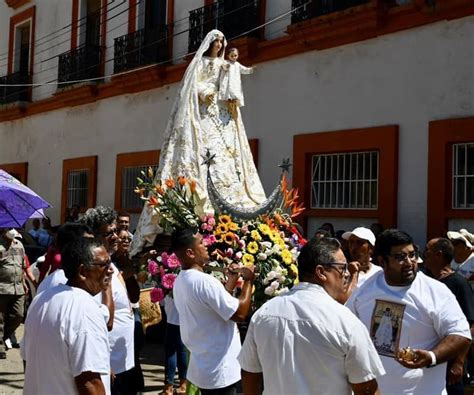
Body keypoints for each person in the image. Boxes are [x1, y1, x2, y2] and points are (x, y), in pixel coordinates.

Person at [131, 29, 266, 257]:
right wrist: (204, 92)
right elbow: (192, 87)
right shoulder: (200, 63)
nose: (221, 45)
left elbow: (232, 76)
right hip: (203, 113)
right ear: (211, 43)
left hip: (222, 113)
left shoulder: (224, 65)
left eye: (223, 41)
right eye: (218, 42)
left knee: (227, 155)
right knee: (203, 153)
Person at [238, 237, 385, 395]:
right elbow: (366, 390)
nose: (347, 275)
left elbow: (250, 375)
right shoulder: (346, 322)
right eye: (342, 268)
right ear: (321, 272)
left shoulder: (264, 314)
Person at [347, 229, 472, 394]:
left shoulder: (435, 291)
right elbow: (347, 329)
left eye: (413, 255)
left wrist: (431, 357)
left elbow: (461, 334)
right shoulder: (364, 290)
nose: (409, 262)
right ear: (382, 261)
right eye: (400, 257)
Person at [22, 238, 113, 394]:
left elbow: (27, 359)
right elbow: (89, 382)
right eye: (104, 264)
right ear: (83, 272)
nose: (110, 270)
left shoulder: (42, 299)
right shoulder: (84, 309)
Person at [172, 228, 255, 394]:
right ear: (190, 252)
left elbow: (214, 309)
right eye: (201, 243)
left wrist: (230, 285)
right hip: (220, 368)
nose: (206, 246)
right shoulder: (205, 282)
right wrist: (249, 280)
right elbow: (239, 314)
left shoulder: (180, 280)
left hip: (205, 366)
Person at [82, 206, 138, 395]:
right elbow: (95, 322)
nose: (116, 236)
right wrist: (104, 364)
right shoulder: (92, 270)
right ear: (92, 236)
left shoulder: (110, 263)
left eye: (115, 231)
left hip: (124, 362)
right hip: (109, 366)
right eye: (109, 233)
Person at [424, 237, 474, 395]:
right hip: (427, 360)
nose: (423, 254)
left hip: (449, 364)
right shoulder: (425, 281)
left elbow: (469, 327)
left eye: (427, 251)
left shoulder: (459, 284)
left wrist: (459, 361)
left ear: (438, 255)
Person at [0, 228, 26, 359]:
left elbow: (23, 266)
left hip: (18, 288)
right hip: (2, 287)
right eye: (9, 228)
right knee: (0, 319)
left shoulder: (19, 245)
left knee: (18, 315)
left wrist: (25, 282)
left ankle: (5, 336)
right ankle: (0, 347)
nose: (12, 230)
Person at [161, 295, 187, 395]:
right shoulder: (185, 282)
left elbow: (162, 302)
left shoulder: (167, 282)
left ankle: (169, 387)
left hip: (171, 320)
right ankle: (183, 385)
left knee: (171, 353)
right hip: (185, 321)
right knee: (182, 352)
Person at [218, 47, 254, 119]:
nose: (234, 57)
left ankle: (233, 110)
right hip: (229, 82)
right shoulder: (226, 62)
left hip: (235, 83)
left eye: (235, 55)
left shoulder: (237, 64)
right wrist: (225, 67)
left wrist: (251, 69)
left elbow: (244, 69)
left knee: (235, 96)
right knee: (229, 95)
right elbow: (223, 67)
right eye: (232, 55)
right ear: (228, 56)